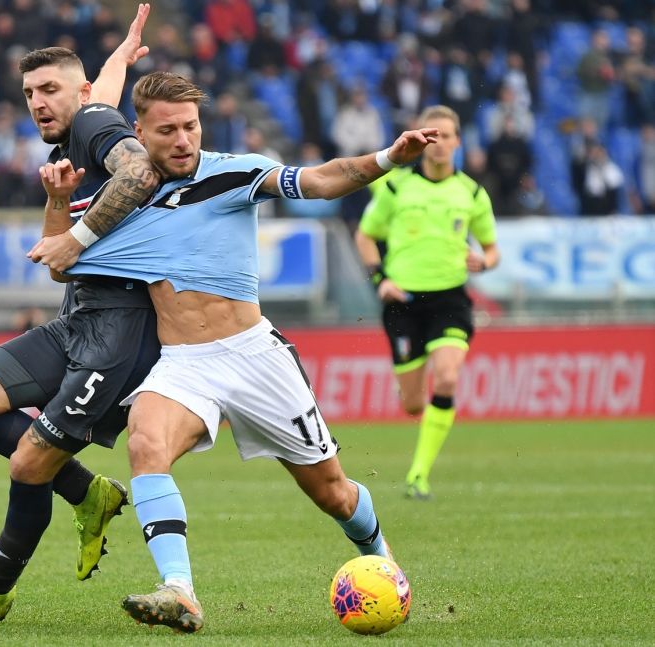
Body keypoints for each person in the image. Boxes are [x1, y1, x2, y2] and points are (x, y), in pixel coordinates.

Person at [32, 71, 437, 633]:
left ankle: (384, 561)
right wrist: (56, 202)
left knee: (334, 494)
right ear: (139, 136)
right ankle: (180, 590)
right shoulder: (118, 203)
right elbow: (60, 260)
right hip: (183, 364)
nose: (183, 140)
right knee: (147, 445)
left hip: (255, 358)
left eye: (191, 127)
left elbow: (321, 181)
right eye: (168, 130)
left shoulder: (234, 173)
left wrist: (388, 158)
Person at [0, 5, 161, 627]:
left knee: (31, 462)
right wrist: (59, 203)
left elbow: (139, 170)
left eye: (48, 89)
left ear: (78, 94)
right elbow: (57, 267)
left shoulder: (92, 124)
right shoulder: (76, 135)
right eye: (28, 92)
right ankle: (88, 492)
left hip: (119, 335)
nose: (36, 101)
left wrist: (78, 234)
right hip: (75, 318)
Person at [354, 105, 500, 500]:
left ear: (458, 142)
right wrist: (380, 280)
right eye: (432, 136)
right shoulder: (396, 187)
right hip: (403, 301)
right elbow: (365, 236)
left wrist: (484, 261)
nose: (439, 145)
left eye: (447, 136)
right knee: (413, 404)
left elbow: (491, 249)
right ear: (421, 141)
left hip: (450, 298)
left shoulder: (471, 192)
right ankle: (418, 424)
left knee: (449, 376)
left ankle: (418, 475)